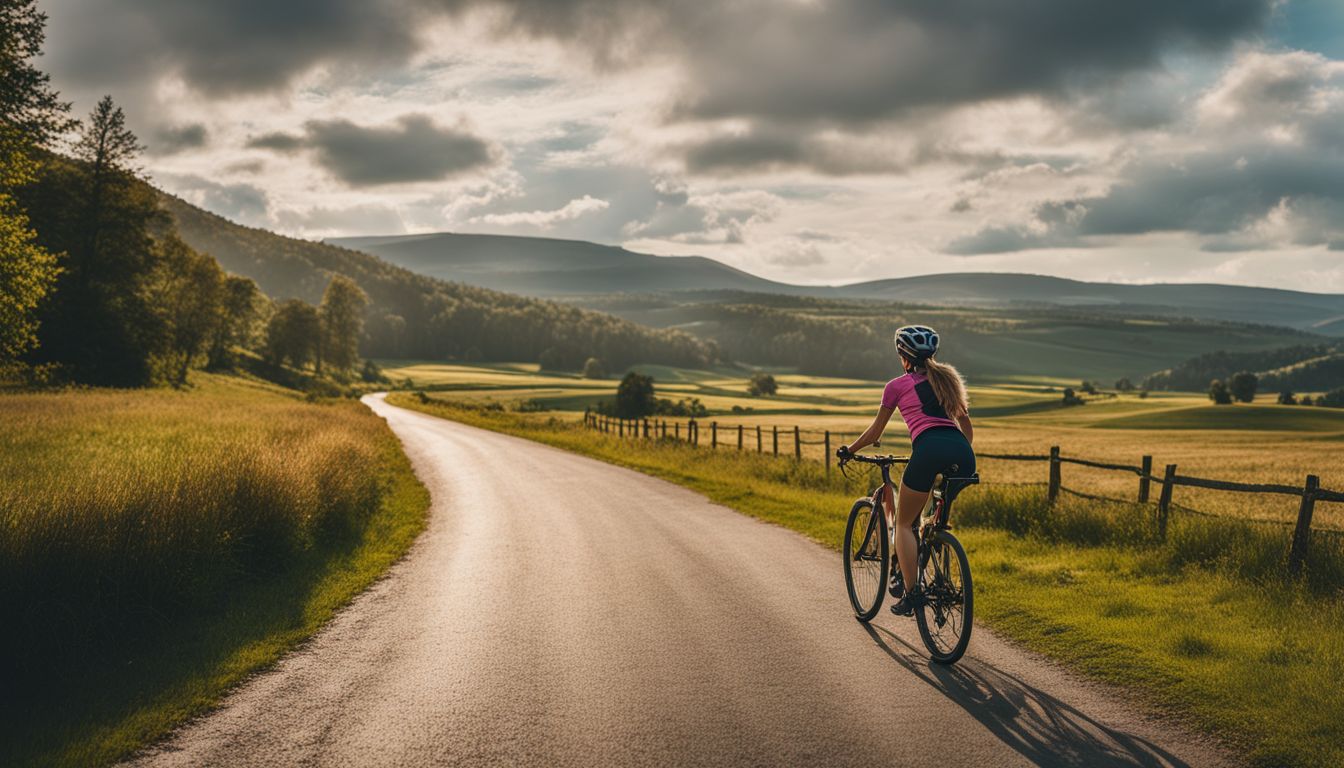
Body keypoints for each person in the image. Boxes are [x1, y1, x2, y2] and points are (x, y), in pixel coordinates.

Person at [836, 325, 975, 616]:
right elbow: (966, 425)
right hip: (963, 453)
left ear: (903, 355)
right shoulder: (947, 379)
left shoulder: (897, 385)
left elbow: (876, 433)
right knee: (932, 517)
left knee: (902, 524)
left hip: (928, 450)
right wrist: (960, 451)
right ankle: (935, 541)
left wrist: (850, 450)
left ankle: (913, 595)